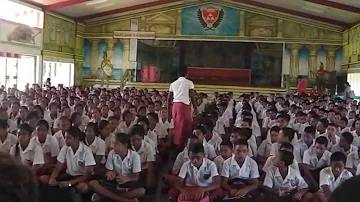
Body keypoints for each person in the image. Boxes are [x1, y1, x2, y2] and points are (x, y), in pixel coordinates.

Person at [89, 133, 145, 202]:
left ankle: (105, 196)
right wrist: (110, 174)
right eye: (113, 144)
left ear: (125, 145)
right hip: (115, 182)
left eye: (117, 144)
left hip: (128, 184)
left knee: (141, 191)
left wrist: (125, 178)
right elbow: (108, 171)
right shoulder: (112, 153)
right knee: (93, 183)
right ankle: (126, 200)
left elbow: (136, 177)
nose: (114, 146)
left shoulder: (134, 156)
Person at [167, 66, 197, 148]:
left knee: (177, 125)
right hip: (183, 107)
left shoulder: (173, 84)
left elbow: (168, 99)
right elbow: (192, 96)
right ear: (186, 74)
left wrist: (168, 112)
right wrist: (196, 108)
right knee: (185, 126)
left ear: (177, 74)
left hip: (175, 107)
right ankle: (182, 145)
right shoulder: (189, 83)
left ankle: (176, 143)